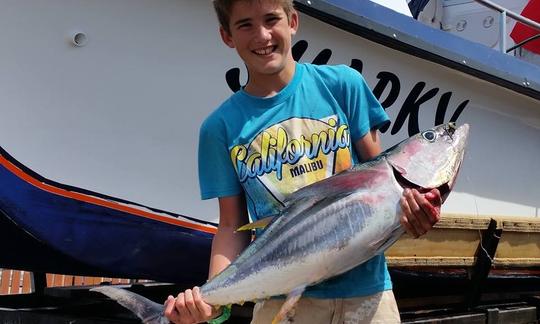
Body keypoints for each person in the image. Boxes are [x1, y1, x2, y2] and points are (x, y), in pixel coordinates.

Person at [164, 0, 441, 323]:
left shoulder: (343, 86)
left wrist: (414, 216)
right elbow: (230, 225)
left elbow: (381, 178)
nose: (262, 35)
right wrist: (212, 304)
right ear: (227, 36)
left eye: (271, 19)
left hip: (367, 295)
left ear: (293, 21)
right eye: (245, 25)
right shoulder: (220, 128)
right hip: (284, 307)